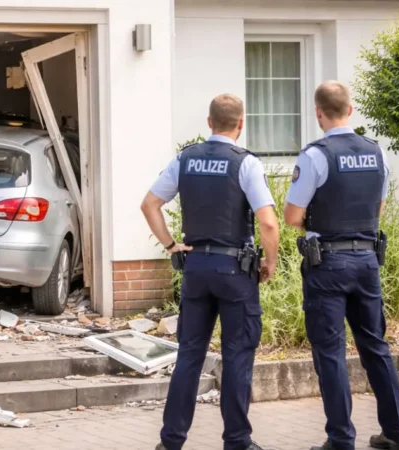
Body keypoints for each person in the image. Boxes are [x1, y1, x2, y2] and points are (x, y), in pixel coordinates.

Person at [141, 94, 279, 450]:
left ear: (209, 122)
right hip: (235, 270)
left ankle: (171, 441)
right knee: (237, 354)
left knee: (190, 354)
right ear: (241, 124)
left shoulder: (185, 159)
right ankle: (237, 441)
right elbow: (268, 222)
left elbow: (149, 204)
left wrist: (172, 245)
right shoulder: (245, 163)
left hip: (196, 267)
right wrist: (271, 262)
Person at [283, 81, 399, 450]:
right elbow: (378, 209)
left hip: (329, 264)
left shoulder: (315, 155)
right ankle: (397, 434)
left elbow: (292, 215)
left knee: (330, 351)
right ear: (350, 110)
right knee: (375, 347)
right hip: (368, 260)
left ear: (318, 113)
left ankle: (341, 439)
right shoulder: (376, 152)